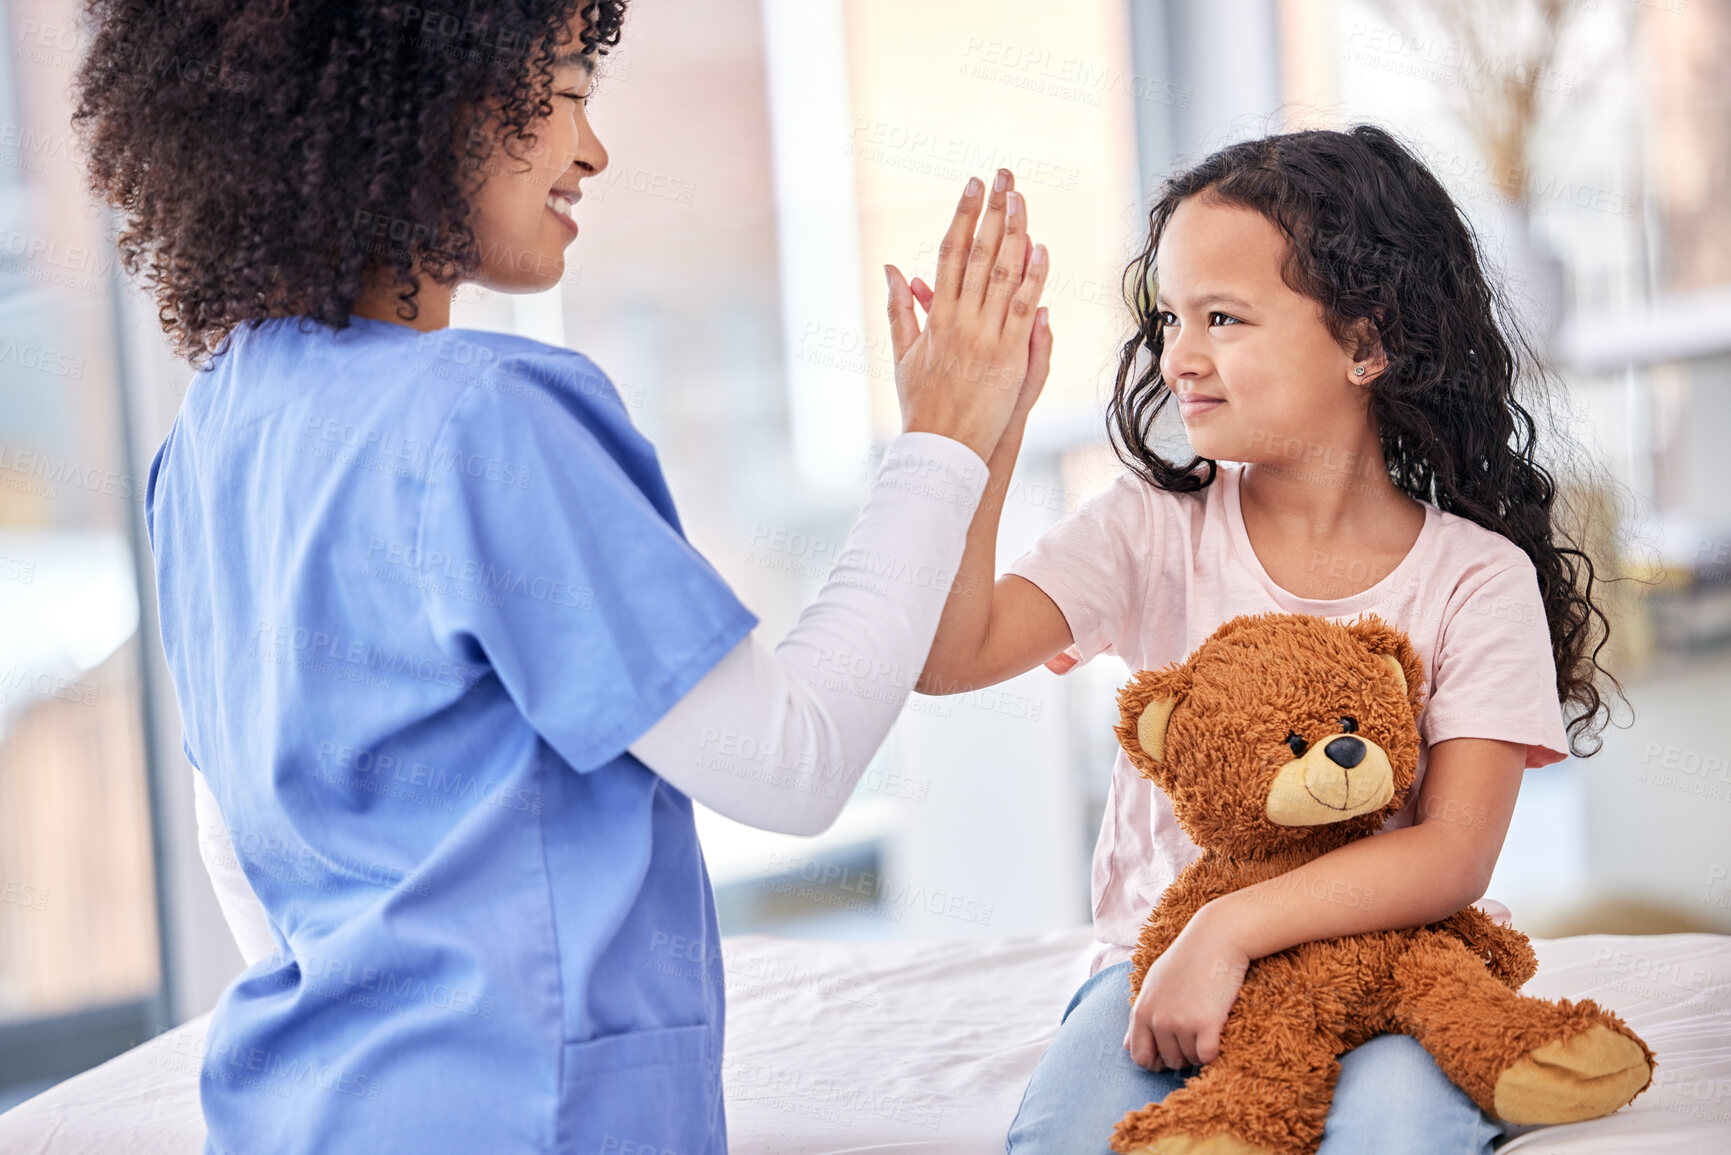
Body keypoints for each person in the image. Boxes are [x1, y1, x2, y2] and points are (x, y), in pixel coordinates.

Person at [72, 3, 1052, 1152]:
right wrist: (940, 441)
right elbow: (794, 764)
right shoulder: (490, 420)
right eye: (569, 92)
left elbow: (237, 847)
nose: (594, 150)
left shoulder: (210, 435)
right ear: (435, 98)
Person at [907, 126, 1620, 1154]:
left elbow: (1453, 854)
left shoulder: (1475, 578)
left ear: (1366, 345)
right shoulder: (1146, 528)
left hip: (1389, 964)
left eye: (1224, 318)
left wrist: (1227, 929)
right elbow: (946, 656)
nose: (1178, 356)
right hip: (1156, 967)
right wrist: (983, 430)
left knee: (1391, 1131)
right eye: (1170, 318)